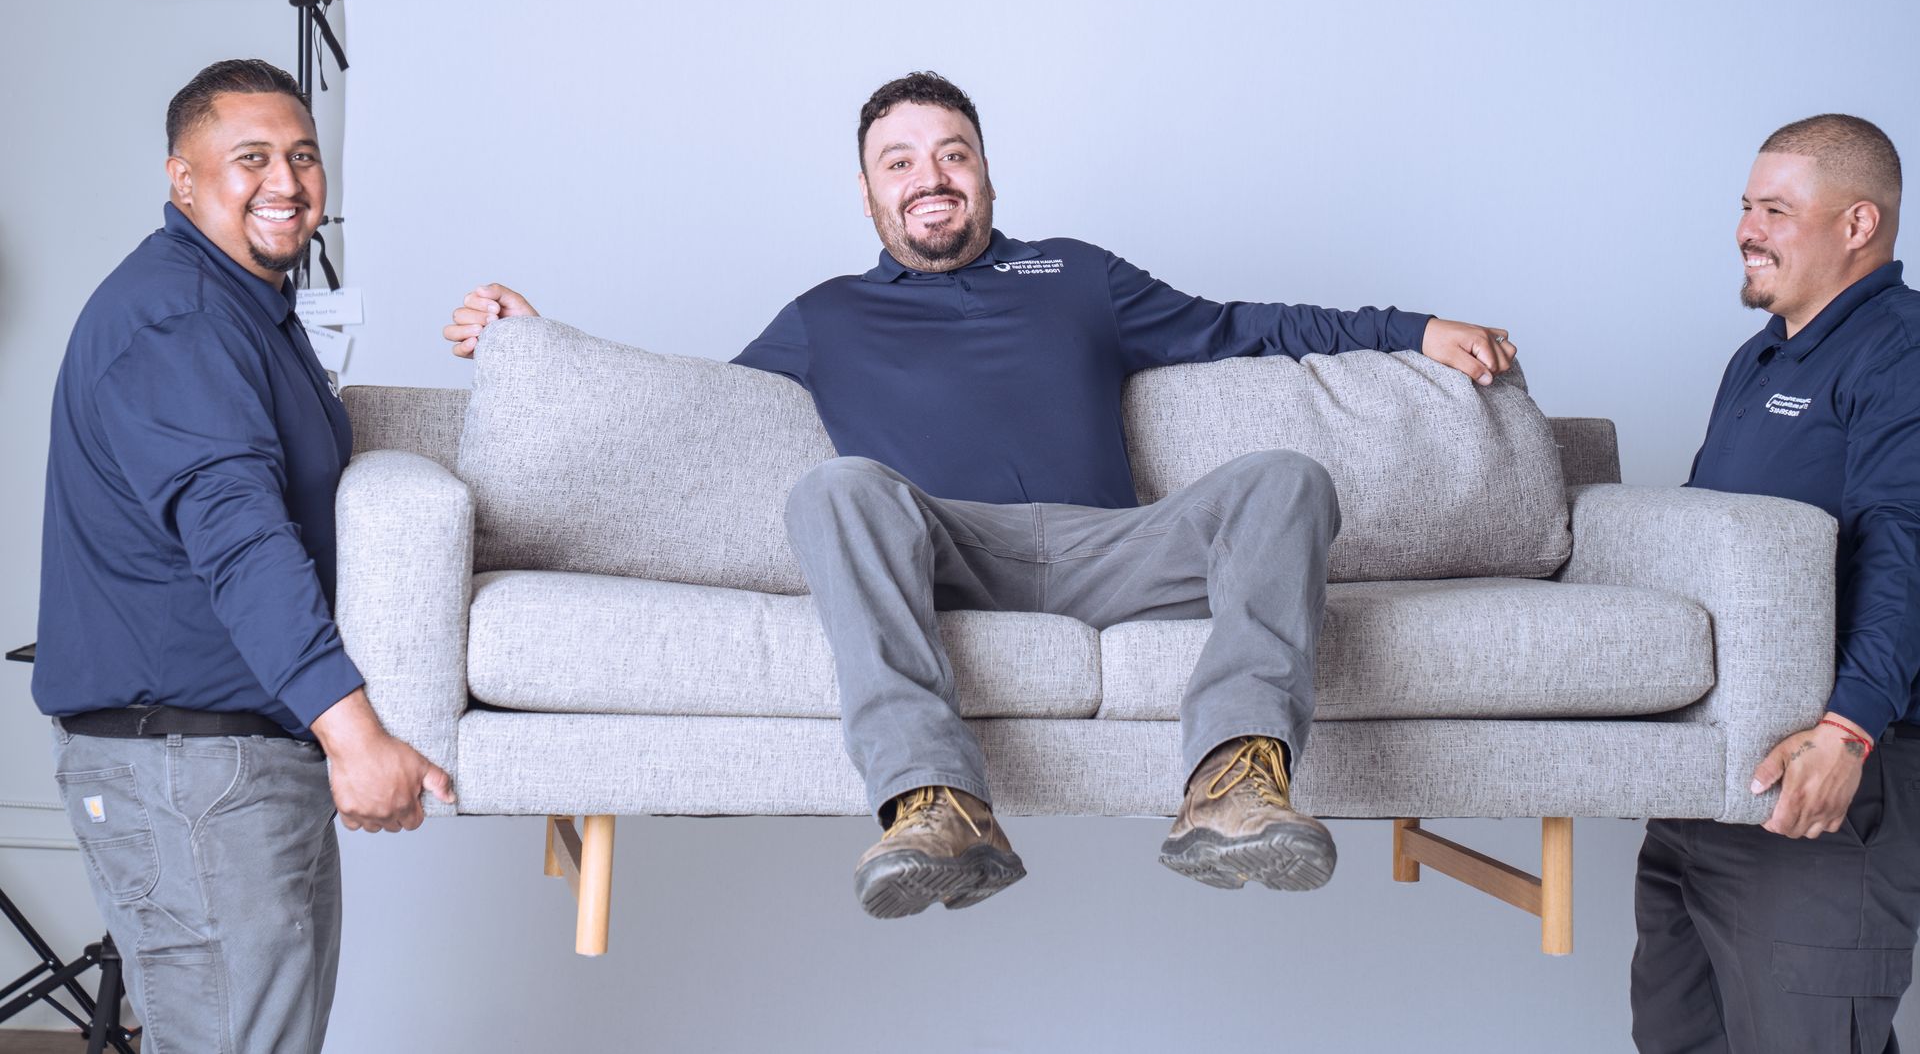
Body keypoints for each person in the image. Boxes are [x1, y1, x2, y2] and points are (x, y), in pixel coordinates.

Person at [444, 71, 1516, 918]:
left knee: (1287, 478)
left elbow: (1245, 324)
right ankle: (938, 806)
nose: (930, 175)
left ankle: (1235, 784)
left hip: (1114, 548)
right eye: (899, 161)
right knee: (839, 488)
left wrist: (1411, 328)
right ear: (867, 195)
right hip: (951, 553)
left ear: (988, 175)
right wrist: (538, 339)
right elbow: (691, 415)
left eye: (952, 153)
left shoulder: (1078, 274)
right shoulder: (825, 314)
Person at [36, 59, 453, 1052]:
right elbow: (241, 537)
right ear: (183, 178)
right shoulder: (177, 317)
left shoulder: (243, 310)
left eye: (303, 156)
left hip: (240, 758)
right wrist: (353, 733)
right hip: (186, 766)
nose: (288, 181)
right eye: (251, 158)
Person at [1631, 114, 1920, 1053]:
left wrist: (1847, 730)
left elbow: (1904, 543)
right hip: (1707, 793)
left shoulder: (1901, 354)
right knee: (1675, 1036)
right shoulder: (1757, 358)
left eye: (1776, 209)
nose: (1749, 228)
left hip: (1827, 793)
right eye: (1746, 207)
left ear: (1857, 224)